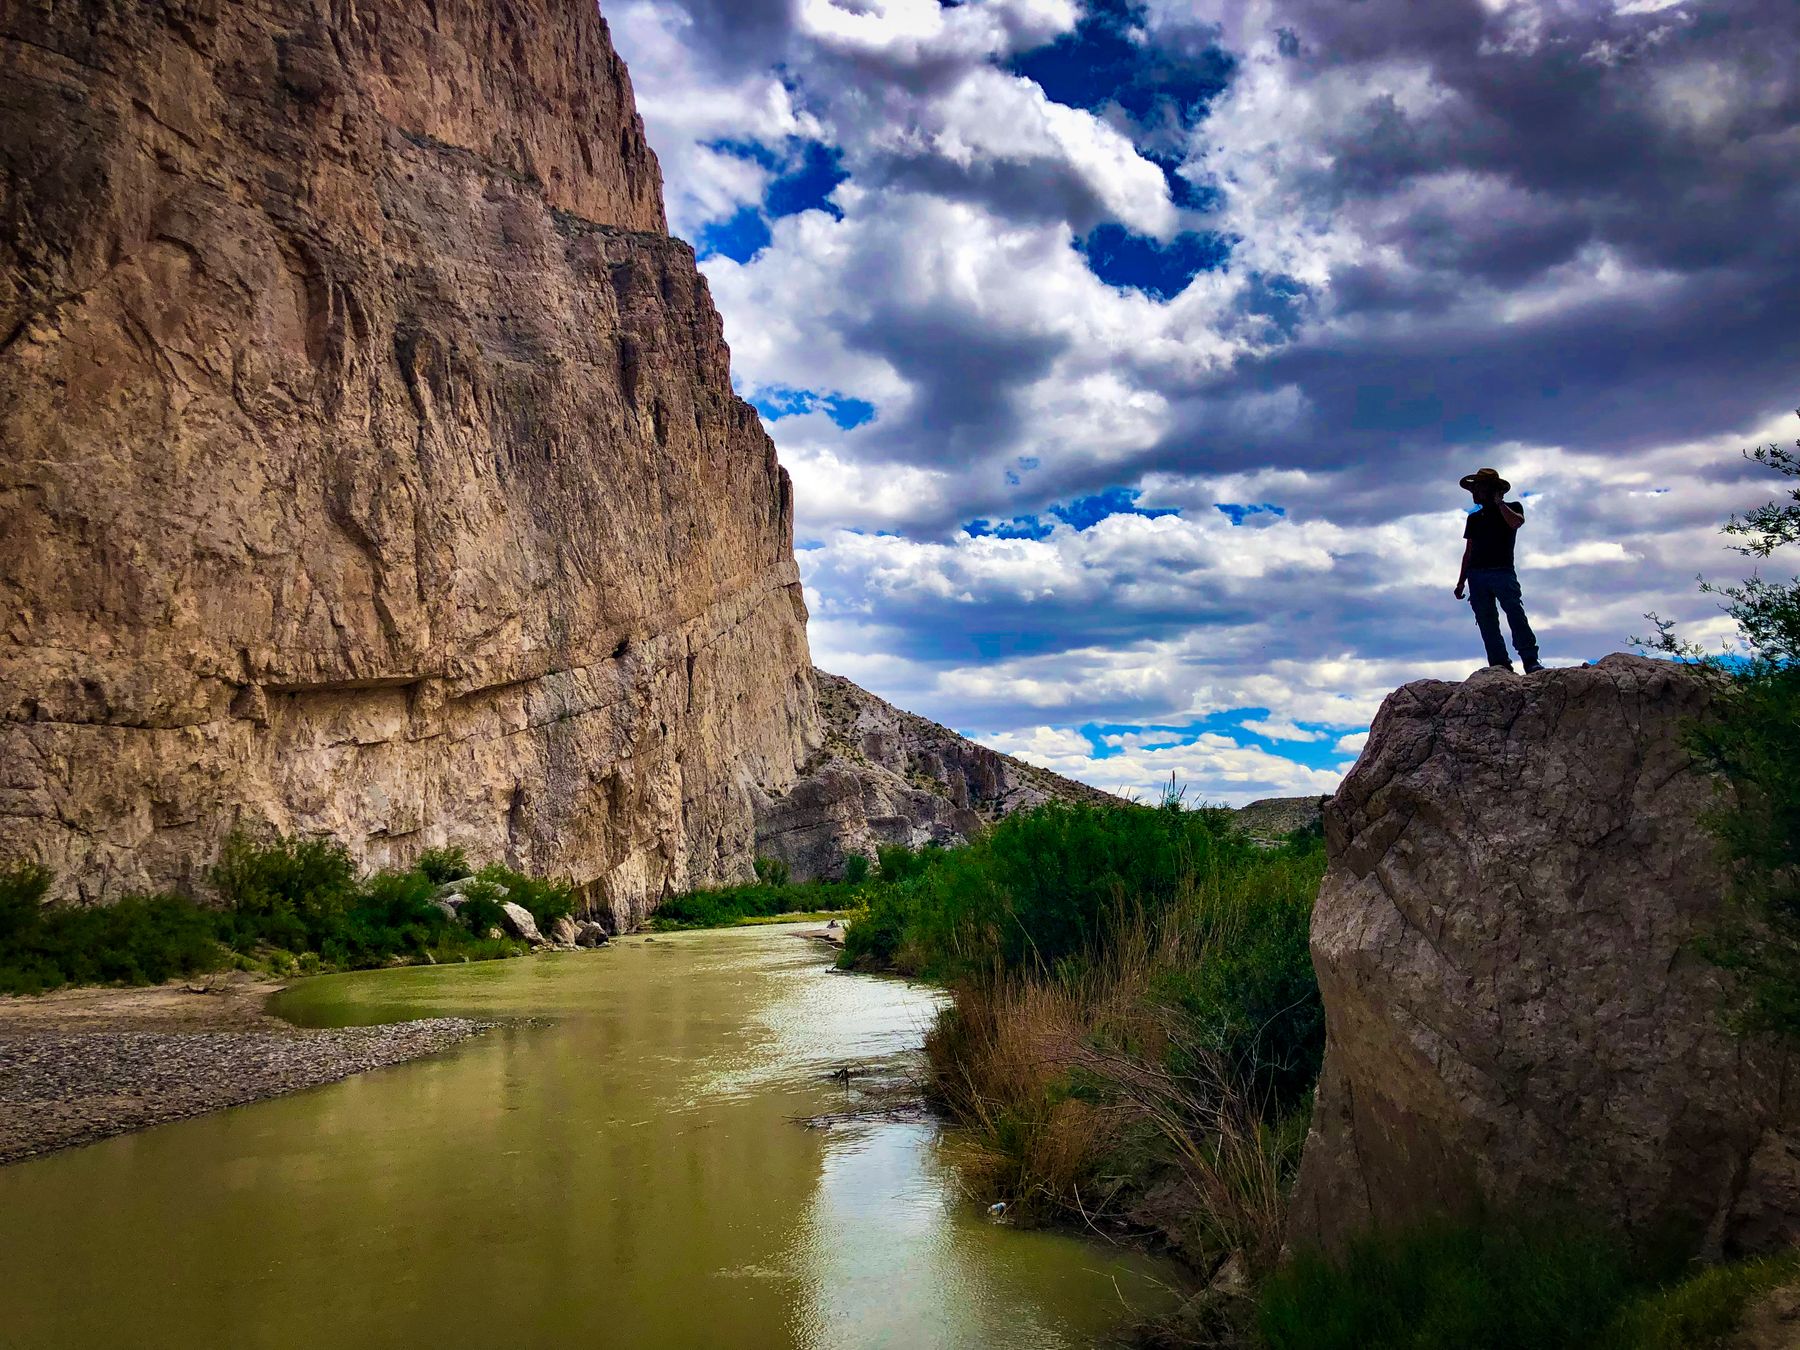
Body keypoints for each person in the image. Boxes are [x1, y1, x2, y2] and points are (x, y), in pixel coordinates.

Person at [1454, 467, 1542, 673]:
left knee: (1515, 614)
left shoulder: (1512, 508)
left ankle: (1530, 660)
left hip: (1502, 571)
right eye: (1474, 489)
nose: (1475, 493)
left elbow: (1516, 523)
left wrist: (1499, 502)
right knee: (1486, 622)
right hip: (1477, 575)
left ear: (1491, 489)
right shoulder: (1474, 518)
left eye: (1479, 488)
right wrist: (1461, 581)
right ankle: (1499, 665)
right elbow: (1469, 551)